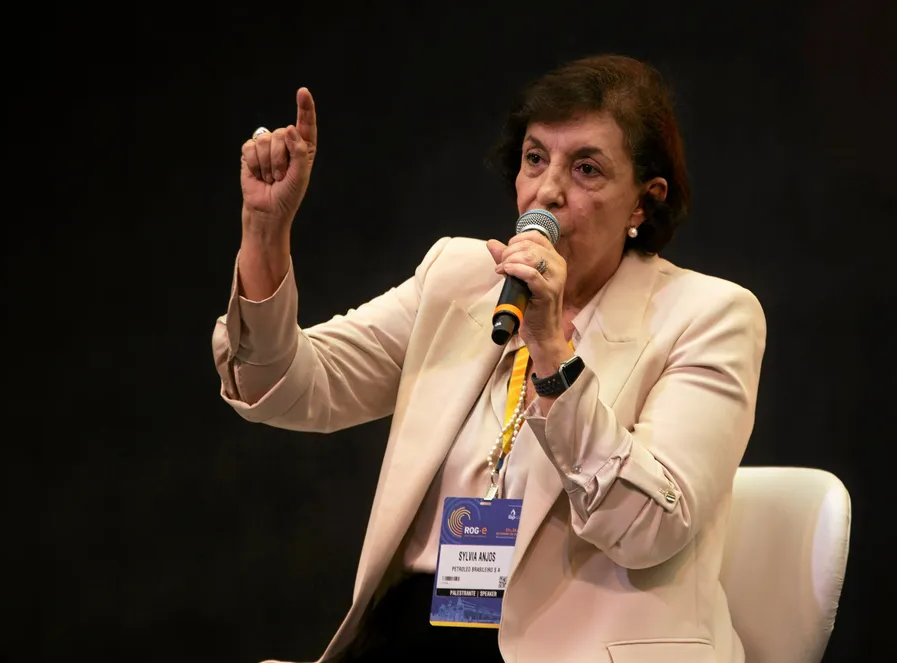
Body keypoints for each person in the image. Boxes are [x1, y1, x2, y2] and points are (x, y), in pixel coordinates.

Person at [212, 54, 767, 663]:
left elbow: (647, 528)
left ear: (643, 202)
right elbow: (285, 386)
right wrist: (264, 231)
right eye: (535, 158)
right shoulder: (460, 277)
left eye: (586, 168)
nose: (548, 191)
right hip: (417, 630)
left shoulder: (709, 315)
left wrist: (551, 347)